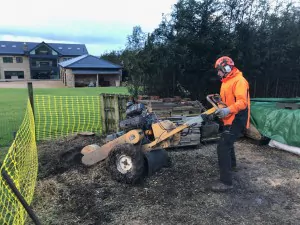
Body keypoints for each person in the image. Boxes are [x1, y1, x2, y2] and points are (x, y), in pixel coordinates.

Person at [211, 56, 250, 192]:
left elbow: (242, 102)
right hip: (229, 117)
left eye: (219, 70)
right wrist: (219, 101)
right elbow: (227, 99)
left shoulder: (239, 81)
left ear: (226, 68)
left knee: (223, 146)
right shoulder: (226, 81)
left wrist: (227, 109)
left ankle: (226, 182)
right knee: (228, 143)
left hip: (237, 117)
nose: (218, 73)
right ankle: (231, 165)